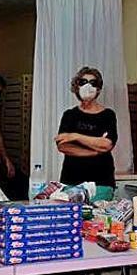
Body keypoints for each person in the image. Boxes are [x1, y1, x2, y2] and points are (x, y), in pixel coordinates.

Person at [56, 66, 118, 199]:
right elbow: (63, 146)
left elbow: (106, 145)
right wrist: (94, 150)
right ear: (76, 86)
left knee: (98, 219)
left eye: (93, 83)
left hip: (101, 183)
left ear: (99, 89)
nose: (88, 86)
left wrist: (74, 136)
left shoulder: (108, 115)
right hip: (71, 181)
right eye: (83, 82)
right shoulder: (69, 115)